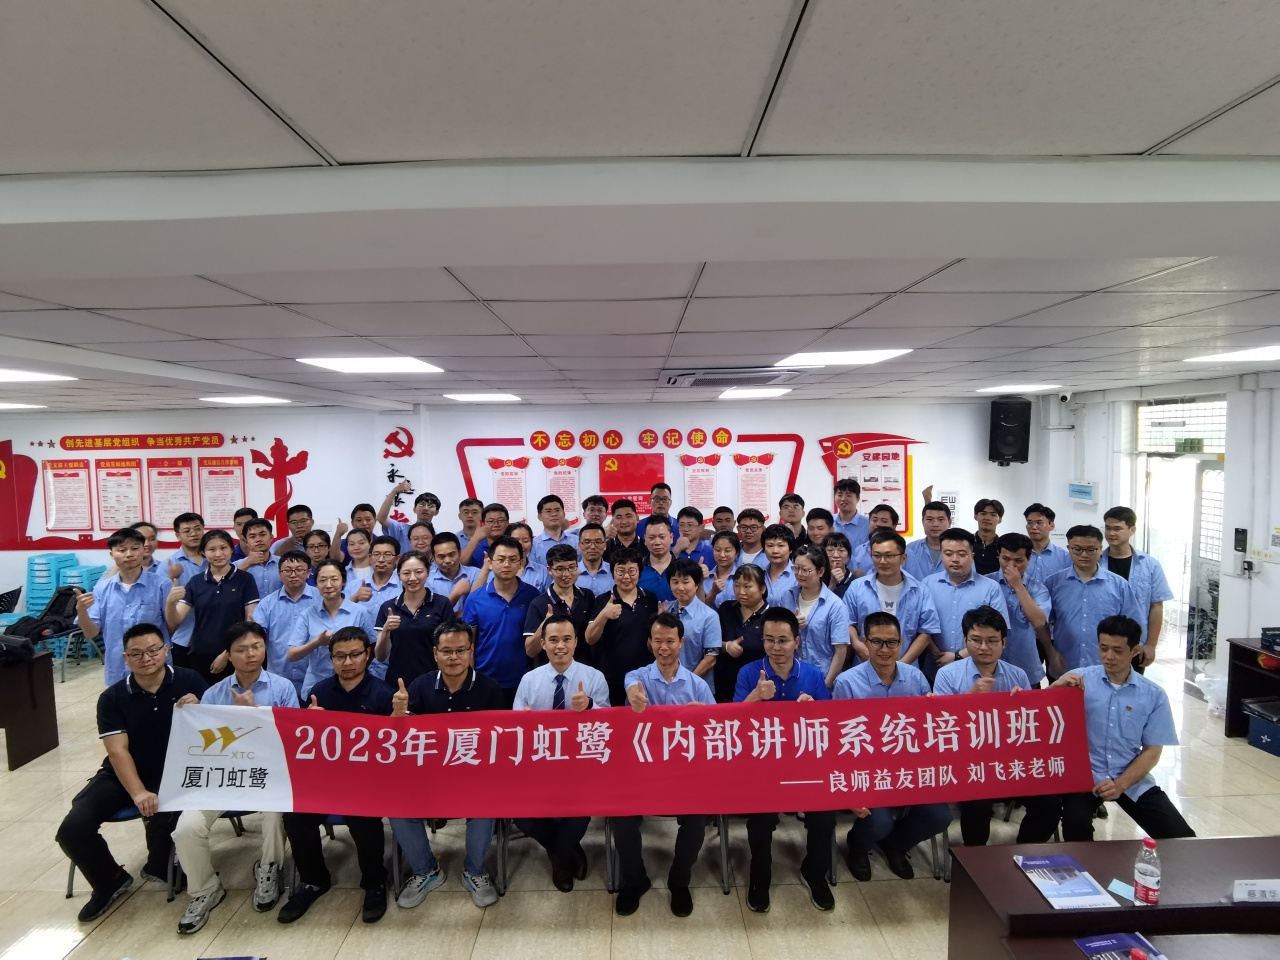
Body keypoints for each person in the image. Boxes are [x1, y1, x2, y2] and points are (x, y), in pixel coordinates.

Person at [57, 623, 205, 922]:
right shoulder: (112, 698)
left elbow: (218, 727)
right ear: (125, 658)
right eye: (136, 654)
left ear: (165, 650)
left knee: (165, 818)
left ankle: (160, 865)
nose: (146, 658)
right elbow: (117, 751)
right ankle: (109, 880)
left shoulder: (189, 680)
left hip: (174, 773)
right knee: (73, 828)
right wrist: (138, 792)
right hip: (121, 773)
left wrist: (201, 706)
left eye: (153, 650)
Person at [1018, 615, 1196, 843]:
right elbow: (1037, 718)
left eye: (1117, 651)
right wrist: (1056, 688)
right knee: (1075, 822)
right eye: (1103, 648)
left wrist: (1120, 785)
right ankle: (1087, 864)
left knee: (1180, 836)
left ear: (1135, 650)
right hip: (1085, 775)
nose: (1109, 657)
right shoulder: (1079, 680)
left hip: (1130, 775)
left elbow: (1152, 751)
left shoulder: (1153, 695)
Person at [174, 622, 297, 934]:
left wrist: (253, 714)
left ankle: (268, 869)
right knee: (187, 827)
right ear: (228, 655)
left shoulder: (283, 688)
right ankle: (205, 889)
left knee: (275, 814)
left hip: (268, 775)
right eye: (241, 649)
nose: (250, 654)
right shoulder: (214, 693)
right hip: (221, 778)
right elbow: (203, 745)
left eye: (257, 647)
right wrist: (190, 713)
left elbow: (292, 742)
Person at [278, 627, 391, 925]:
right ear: (331, 659)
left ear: (367, 655)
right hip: (326, 781)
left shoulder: (384, 694)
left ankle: (374, 882)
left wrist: (398, 718)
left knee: (363, 816)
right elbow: (304, 748)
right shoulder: (320, 692)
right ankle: (314, 880)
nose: (347, 662)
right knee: (295, 817)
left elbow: (395, 749)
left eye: (354, 654)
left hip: (368, 782)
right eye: (339, 656)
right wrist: (311, 726)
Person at [390, 621, 505, 909]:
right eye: (447, 651)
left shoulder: (490, 689)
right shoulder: (420, 686)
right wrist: (397, 714)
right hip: (428, 777)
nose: (454, 657)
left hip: (474, 777)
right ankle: (426, 870)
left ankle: (475, 871)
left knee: (485, 805)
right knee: (397, 806)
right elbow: (399, 739)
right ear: (435, 653)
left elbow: (501, 743)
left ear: (471, 651)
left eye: (461, 650)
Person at [832, 611, 952, 880]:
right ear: (865, 642)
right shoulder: (847, 683)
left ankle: (895, 844)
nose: (885, 649)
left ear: (901, 643)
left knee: (939, 816)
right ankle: (857, 847)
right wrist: (851, 790)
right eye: (877, 642)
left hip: (908, 770)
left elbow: (928, 732)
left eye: (892, 642)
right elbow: (838, 743)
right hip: (867, 772)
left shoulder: (915, 678)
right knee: (879, 821)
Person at [614, 613, 715, 917]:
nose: (664, 647)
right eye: (658, 641)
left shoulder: (698, 686)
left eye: (670, 641)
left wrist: (704, 718)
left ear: (681, 643)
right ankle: (635, 880)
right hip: (643, 772)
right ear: (650, 643)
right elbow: (630, 685)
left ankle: (679, 881)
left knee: (697, 818)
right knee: (620, 814)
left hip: (685, 774)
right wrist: (633, 696)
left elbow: (716, 733)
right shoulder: (639, 677)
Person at [734, 608, 834, 913]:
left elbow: (829, 725)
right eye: (769, 640)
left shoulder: (813, 674)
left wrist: (814, 709)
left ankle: (814, 873)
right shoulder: (749, 672)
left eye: (783, 640)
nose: (776, 647)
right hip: (761, 766)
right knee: (761, 819)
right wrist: (756, 696)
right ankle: (760, 876)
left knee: (824, 816)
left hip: (804, 764)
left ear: (796, 642)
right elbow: (733, 725)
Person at [513, 615, 610, 891]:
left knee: (578, 813)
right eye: (553, 640)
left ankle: (559, 858)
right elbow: (515, 727)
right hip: (539, 765)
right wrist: (523, 721)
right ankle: (564, 850)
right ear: (543, 643)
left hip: (581, 767)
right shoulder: (529, 680)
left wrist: (589, 706)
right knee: (521, 814)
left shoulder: (594, 677)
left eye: (567, 639)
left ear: (576, 642)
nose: (560, 646)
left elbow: (609, 725)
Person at [933, 606, 1034, 847]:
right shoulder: (947, 675)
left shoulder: (1018, 676)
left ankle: (1024, 852)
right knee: (978, 801)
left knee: (1049, 803)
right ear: (965, 641)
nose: (984, 647)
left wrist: (1024, 705)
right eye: (976, 640)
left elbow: (1032, 727)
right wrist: (971, 696)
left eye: (992, 641)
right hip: (966, 762)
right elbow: (941, 727)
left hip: (1010, 761)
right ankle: (976, 859)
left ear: (1004, 642)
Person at [77, 527, 172, 686]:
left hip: (154, 665)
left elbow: (171, 626)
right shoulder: (101, 589)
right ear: (112, 554)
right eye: (122, 550)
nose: (129, 554)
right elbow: (91, 633)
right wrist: (81, 612)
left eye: (135, 548)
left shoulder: (162, 585)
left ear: (143, 550)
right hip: (118, 666)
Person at [1044, 525, 1144, 674]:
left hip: (1107, 668)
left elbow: (1134, 623)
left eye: (1091, 550)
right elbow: (1042, 624)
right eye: (1077, 549)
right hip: (1065, 666)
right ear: (1069, 548)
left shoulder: (1119, 585)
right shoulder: (1053, 583)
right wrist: (1050, 653)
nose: (1084, 555)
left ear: (1101, 549)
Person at [165, 530, 260, 684]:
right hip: (200, 656)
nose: (218, 554)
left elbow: (251, 623)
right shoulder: (196, 582)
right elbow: (174, 621)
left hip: (236, 656)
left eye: (223, 548)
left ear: (231, 549)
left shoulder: (245, 579)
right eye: (211, 549)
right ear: (203, 552)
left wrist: (227, 653)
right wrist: (170, 602)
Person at [921, 528, 1009, 681]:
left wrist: (958, 656)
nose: (955, 559)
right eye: (948, 554)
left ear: (972, 556)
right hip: (934, 667)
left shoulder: (990, 587)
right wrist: (934, 652)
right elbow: (921, 624)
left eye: (961, 554)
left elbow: (999, 629)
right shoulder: (928, 584)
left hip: (977, 670)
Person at [462, 534, 540, 705]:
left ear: (521, 563)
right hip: (484, 681)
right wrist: (470, 680)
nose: (507, 564)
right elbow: (469, 644)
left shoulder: (533, 596)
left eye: (513, 559)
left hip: (523, 680)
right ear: (490, 563)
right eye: (501, 559)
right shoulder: (475, 598)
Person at [843, 530, 941, 665]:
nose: (882, 561)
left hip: (906, 665)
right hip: (864, 664)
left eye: (889, 556)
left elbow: (926, 631)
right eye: (877, 555)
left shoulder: (920, 591)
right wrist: (857, 644)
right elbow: (848, 622)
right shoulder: (857, 587)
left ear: (903, 558)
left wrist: (903, 664)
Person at [287, 559, 376, 698]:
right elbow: (292, 655)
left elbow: (372, 648)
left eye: (334, 579)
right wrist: (317, 643)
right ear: (316, 584)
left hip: (354, 685)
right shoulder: (307, 615)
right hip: (316, 685)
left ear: (343, 581)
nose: (328, 585)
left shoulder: (360, 612)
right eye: (322, 580)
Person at [1101, 506, 1175, 668]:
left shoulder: (1150, 565)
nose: (1111, 533)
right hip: (1102, 643)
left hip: (1135, 643)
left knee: (1131, 682)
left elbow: (1156, 606)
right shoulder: (1096, 562)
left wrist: (1151, 645)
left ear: (1132, 530)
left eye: (1117, 529)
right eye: (1108, 528)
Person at [586, 549, 661, 705]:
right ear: (613, 573)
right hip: (612, 678)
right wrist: (604, 615)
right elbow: (590, 638)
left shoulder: (651, 598)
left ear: (639, 572)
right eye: (621, 571)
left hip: (644, 678)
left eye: (632, 571)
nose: (626, 577)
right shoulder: (602, 601)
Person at [375, 550, 455, 689]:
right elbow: (380, 656)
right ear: (399, 575)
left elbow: (450, 647)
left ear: (428, 572)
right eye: (406, 573)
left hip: (434, 681)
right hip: (398, 683)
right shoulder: (388, 607)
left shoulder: (442, 604)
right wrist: (386, 631)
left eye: (418, 572)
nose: (412, 578)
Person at [250, 549, 318, 689]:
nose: (293, 575)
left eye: (299, 569)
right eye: (287, 570)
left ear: (308, 572)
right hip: (278, 679)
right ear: (280, 574)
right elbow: (257, 637)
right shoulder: (267, 604)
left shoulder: (321, 599)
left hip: (314, 678)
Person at [991, 533, 1051, 687]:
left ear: (1029, 559)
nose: (1011, 566)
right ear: (998, 556)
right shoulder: (987, 583)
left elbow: (1039, 622)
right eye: (1005, 559)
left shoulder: (1038, 589)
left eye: (1018, 560)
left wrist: (1018, 585)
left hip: (1026, 666)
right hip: (990, 667)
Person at [524, 543, 596, 664]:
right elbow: (530, 651)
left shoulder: (587, 596)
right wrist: (545, 624)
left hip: (583, 669)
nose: (566, 574)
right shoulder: (538, 604)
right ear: (549, 570)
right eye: (560, 569)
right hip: (551, 670)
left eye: (572, 567)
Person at [792, 545, 850, 690]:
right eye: (796, 568)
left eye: (805, 570)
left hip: (821, 677)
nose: (799, 574)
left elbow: (840, 650)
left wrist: (827, 683)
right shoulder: (787, 597)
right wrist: (791, 626)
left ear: (821, 571)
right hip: (790, 677)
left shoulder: (835, 605)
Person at [714, 563, 768, 703]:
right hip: (725, 688)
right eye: (737, 585)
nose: (741, 591)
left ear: (762, 588)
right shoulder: (726, 608)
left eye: (747, 586)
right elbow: (709, 644)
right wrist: (726, 646)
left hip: (757, 689)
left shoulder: (771, 617)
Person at [666, 558, 721, 678]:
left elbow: (711, 659)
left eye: (685, 582)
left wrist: (688, 682)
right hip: (665, 683)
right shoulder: (665, 610)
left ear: (697, 585)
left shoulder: (709, 616)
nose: (680, 587)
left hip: (697, 685)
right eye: (675, 582)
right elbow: (652, 647)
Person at [165, 511, 207, 667]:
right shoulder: (169, 564)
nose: (193, 534)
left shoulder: (215, 559)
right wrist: (169, 579)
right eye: (187, 531)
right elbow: (161, 602)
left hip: (215, 636)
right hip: (185, 637)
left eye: (197, 529)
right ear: (178, 535)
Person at [377, 482, 440, 552]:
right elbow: (381, 518)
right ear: (414, 509)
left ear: (436, 512)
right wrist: (394, 491)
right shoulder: (401, 530)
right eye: (422, 505)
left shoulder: (439, 535)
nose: (425, 508)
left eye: (430, 506)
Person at [428, 532, 478, 613]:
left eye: (451, 555)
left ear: (459, 553)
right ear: (433, 557)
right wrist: (456, 593)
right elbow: (432, 615)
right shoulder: (427, 581)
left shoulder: (476, 574)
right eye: (441, 557)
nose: (447, 560)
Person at [1024, 502, 1072, 582]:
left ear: (1051, 526)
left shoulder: (1064, 557)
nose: (1034, 527)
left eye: (1039, 523)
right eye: (1029, 523)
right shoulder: (1018, 555)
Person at [904, 500, 952, 581]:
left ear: (949, 522)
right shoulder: (910, 549)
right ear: (922, 522)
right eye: (929, 519)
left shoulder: (960, 550)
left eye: (941, 520)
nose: (935, 524)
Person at [849, 504, 900, 578]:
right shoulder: (860, 550)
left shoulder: (904, 552)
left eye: (884, 521)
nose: (878, 524)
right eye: (874, 520)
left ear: (894, 525)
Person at [236, 517, 282, 598]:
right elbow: (227, 588)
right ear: (246, 542)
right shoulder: (236, 565)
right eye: (252, 536)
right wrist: (247, 563)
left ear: (271, 537)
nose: (258, 540)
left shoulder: (283, 563)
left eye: (262, 535)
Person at [530, 494, 578, 568]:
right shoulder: (533, 545)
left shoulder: (577, 541)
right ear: (539, 516)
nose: (554, 514)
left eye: (557, 510)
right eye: (548, 511)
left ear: (564, 514)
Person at [638, 515, 676, 603]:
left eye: (662, 537)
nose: (657, 543)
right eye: (651, 538)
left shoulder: (682, 568)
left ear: (671, 538)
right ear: (645, 540)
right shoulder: (637, 568)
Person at [459, 502, 510, 569]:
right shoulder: (476, 546)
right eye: (491, 521)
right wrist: (475, 539)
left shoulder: (514, 544)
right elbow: (459, 565)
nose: (496, 524)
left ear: (507, 523)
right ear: (483, 524)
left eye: (500, 520)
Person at [503, 522, 549, 592]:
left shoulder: (542, 571)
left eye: (525, 541)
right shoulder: (497, 570)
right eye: (516, 540)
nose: (521, 545)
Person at [761, 523, 799, 607]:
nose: (775, 551)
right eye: (770, 546)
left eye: (781, 545)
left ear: (790, 549)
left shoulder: (798, 575)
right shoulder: (759, 574)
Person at [703, 530, 742, 608]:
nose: (722, 555)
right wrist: (713, 592)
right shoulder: (705, 578)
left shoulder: (742, 577)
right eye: (717, 550)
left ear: (737, 553)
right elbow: (701, 609)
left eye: (727, 551)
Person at [575, 522, 613, 595]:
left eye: (598, 542)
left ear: (605, 545)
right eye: (587, 542)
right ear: (579, 546)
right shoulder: (569, 573)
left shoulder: (614, 571)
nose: (592, 547)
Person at [832, 478, 870, 547]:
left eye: (848, 495)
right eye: (840, 495)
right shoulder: (829, 521)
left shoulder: (868, 525)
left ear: (858, 498)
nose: (843, 499)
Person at [604, 498, 642, 564]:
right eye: (619, 517)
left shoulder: (647, 546)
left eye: (628, 516)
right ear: (613, 521)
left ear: (637, 519)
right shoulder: (605, 547)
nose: (624, 521)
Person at [972, 498, 1004, 575]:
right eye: (983, 514)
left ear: (1000, 519)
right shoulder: (967, 543)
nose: (987, 518)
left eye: (993, 515)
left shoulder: (1003, 546)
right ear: (976, 516)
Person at [825, 532, 857, 599]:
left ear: (848, 555)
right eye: (830, 550)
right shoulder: (817, 579)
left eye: (841, 550)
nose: (836, 555)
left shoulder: (856, 583)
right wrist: (832, 584)